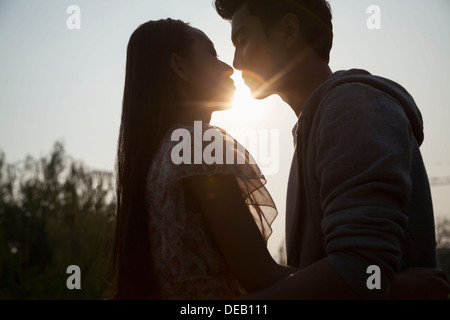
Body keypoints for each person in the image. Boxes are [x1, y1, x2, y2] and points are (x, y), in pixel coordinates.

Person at [214, 0, 450, 299]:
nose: (235, 61)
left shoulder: (352, 105)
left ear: (287, 30)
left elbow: (362, 271)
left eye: (243, 38)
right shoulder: (315, 123)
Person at [111, 18, 299, 299]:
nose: (228, 67)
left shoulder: (162, 156)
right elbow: (260, 277)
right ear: (179, 66)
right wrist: (347, 278)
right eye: (212, 54)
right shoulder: (198, 146)